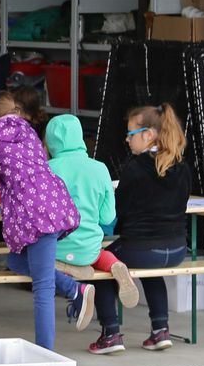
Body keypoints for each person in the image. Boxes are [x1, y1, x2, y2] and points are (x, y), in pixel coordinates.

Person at [0, 91, 86, 351]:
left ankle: (46, 354)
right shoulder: (29, 133)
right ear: (17, 113)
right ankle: (75, 289)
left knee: (42, 289)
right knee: (14, 261)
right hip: (54, 206)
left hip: (34, 215)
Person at [88, 104, 190, 354]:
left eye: (131, 133)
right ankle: (160, 330)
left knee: (100, 263)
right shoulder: (182, 167)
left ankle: (110, 334)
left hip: (142, 248)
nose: (127, 139)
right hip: (177, 248)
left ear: (149, 135)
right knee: (152, 271)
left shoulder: (135, 168)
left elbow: (118, 214)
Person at [46, 114, 140, 309]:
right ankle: (116, 267)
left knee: (42, 255)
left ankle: (70, 268)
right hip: (89, 247)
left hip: (57, 248)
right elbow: (108, 217)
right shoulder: (100, 169)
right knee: (99, 253)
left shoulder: (46, 170)